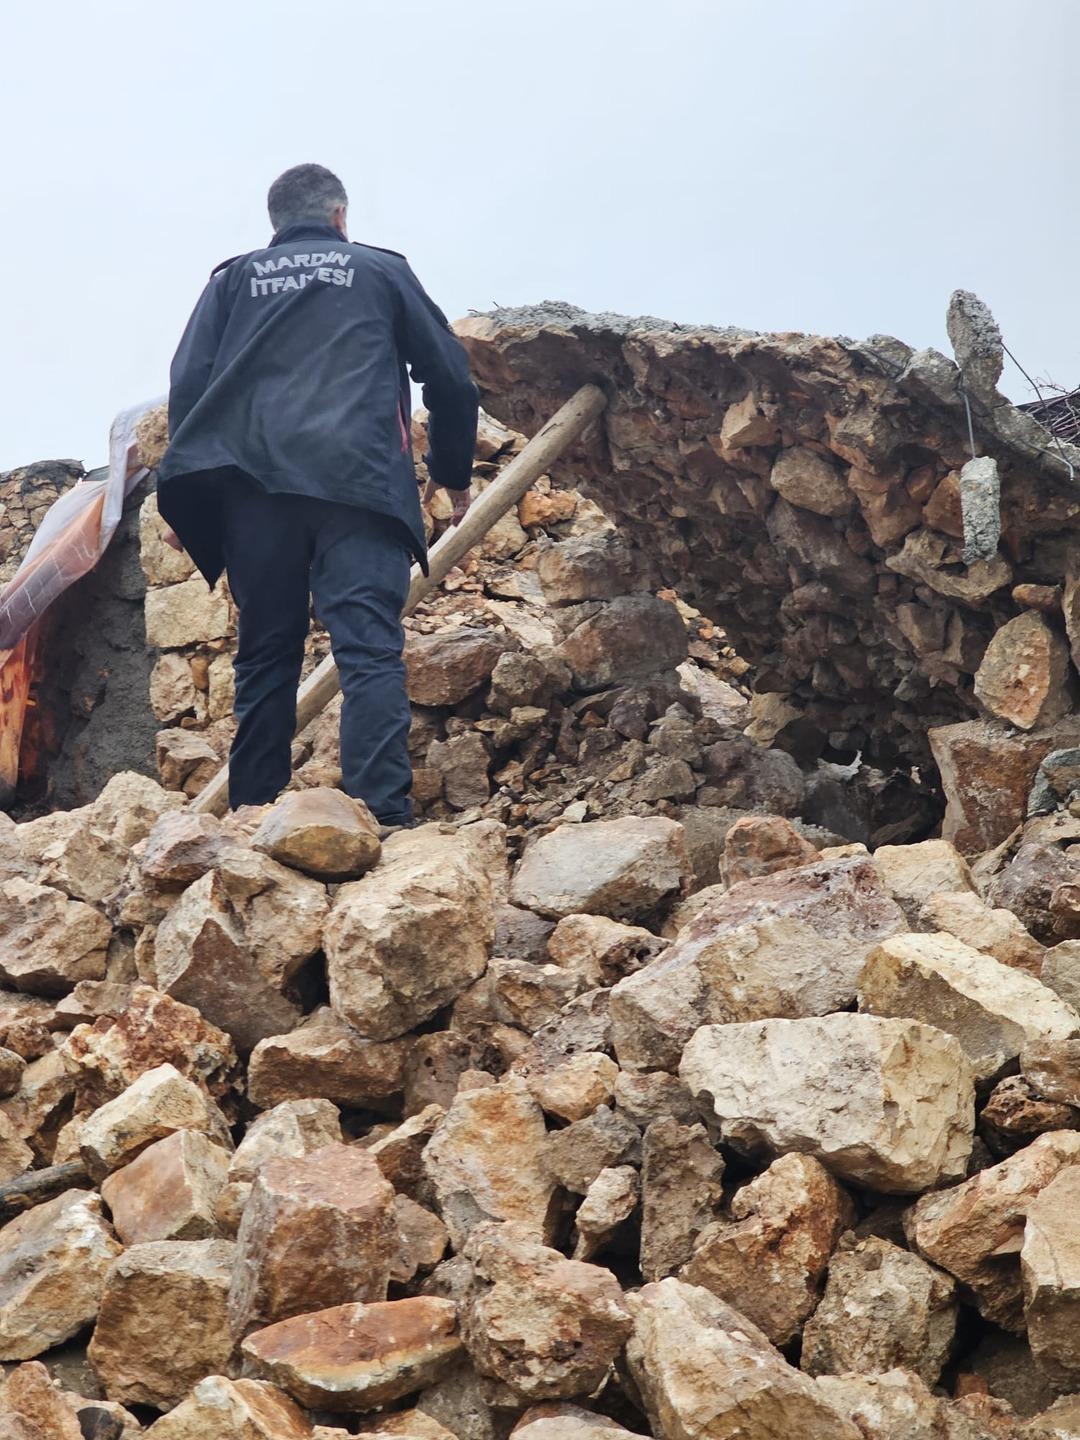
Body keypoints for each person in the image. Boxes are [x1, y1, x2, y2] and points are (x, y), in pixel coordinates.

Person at [157, 163, 478, 828]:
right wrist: (451, 470)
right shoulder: (381, 270)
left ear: (276, 223)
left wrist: (186, 495)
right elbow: (450, 375)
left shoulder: (232, 281)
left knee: (265, 657)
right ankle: (381, 817)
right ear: (340, 216)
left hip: (253, 491)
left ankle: (251, 819)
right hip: (360, 486)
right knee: (368, 649)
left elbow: (189, 383)